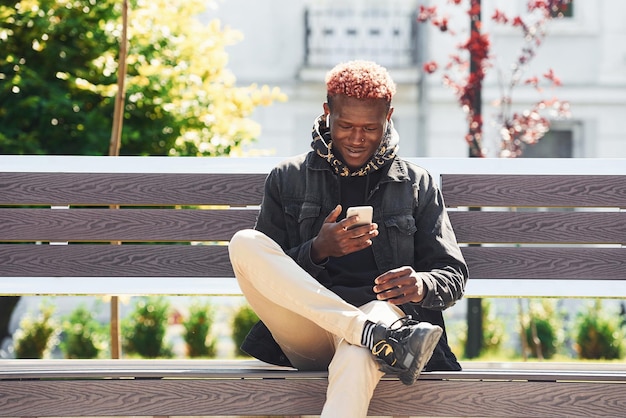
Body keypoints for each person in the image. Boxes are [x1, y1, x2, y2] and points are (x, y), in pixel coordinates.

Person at [228, 60, 468, 417]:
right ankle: (364, 331)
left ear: (389, 117)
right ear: (327, 113)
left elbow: (452, 274)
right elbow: (269, 278)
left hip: (385, 321)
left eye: (370, 127)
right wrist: (317, 250)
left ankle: (368, 334)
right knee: (244, 242)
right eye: (345, 125)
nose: (357, 139)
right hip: (308, 327)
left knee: (361, 349)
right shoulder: (287, 178)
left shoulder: (417, 184)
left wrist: (420, 285)